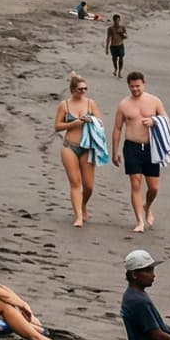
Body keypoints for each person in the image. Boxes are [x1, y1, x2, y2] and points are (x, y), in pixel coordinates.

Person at [110, 71, 168, 233]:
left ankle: (147, 206)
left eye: (138, 86)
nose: (135, 89)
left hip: (151, 148)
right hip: (131, 147)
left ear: (144, 84)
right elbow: (117, 128)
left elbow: (165, 119)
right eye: (132, 86)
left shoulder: (154, 101)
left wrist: (154, 120)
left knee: (154, 187)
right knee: (135, 183)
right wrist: (114, 152)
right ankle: (139, 220)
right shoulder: (124, 105)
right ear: (128, 86)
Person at [52, 74, 101, 227]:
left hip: (87, 147)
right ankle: (78, 216)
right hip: (69, 146)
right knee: (75, 183)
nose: (83, 91)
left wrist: (91, 120)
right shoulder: (64, 105)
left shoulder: (90, 103)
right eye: (80, 89)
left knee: (89, 186)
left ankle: (83, 204)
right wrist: (74, 123)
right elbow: (57, 126)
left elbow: (99, 123)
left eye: (85, 89)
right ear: (73, 89)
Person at [105, 13, 127, 78]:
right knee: (114, 59)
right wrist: (106, 48)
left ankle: (120, 72)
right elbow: (108, 38)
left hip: (120, 45)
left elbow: (126, 37)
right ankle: (115, 69)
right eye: (116, 20)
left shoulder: (122, 27)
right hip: (113, 46)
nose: (117, 22)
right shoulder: (110, 28)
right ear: (114, 21)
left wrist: (122, 33)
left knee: (121, 59)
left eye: (119, 20)